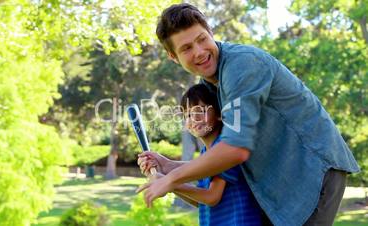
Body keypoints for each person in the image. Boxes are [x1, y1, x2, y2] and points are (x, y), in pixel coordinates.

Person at [137, 3, 360, 226]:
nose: (199, 52)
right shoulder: (213, 84)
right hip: (277, 183)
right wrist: (168, 166)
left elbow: (234, 149)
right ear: (172, 56)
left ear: (211, 32)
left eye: (202, 39)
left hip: (311, 171)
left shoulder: (241, 65)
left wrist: (172, 180)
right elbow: (220, 159)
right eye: (186, 48)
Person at [141, 84, 262, 225]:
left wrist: (169, 183)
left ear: (218, 114)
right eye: (188, 115)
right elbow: (202, 201)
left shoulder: (224, 148)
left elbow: (212, 197)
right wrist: (167, 180)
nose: (195, 118)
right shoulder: (207, 153)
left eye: (202, 110)